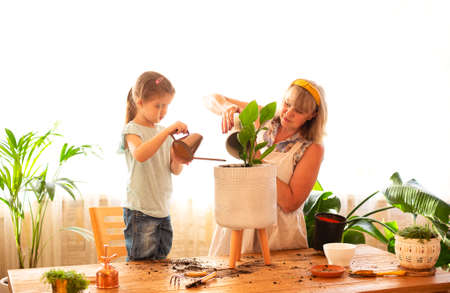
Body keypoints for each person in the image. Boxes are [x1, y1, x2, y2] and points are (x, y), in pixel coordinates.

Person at [203, 79, 328, 255]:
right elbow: (210, 98)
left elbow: (291, 203)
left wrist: (257, 161)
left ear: (312, 115)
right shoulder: (265, 117)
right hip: (240, 219)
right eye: (287, 103)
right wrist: (226, 108)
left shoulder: (312, 147)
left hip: (277, 232)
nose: (288, 113)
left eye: (298, 111)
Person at [121, 71, 191, 260]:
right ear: (139, 101)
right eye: (158, 105)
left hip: (162, 210)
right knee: (141, 268)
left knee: (159, 267)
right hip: (140, 212)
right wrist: (167, 131)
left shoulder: (163, 133)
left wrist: (180, 158)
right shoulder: (132, 130)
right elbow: (140, 154)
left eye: (166, 105)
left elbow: (174, 170)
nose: (163, 111)